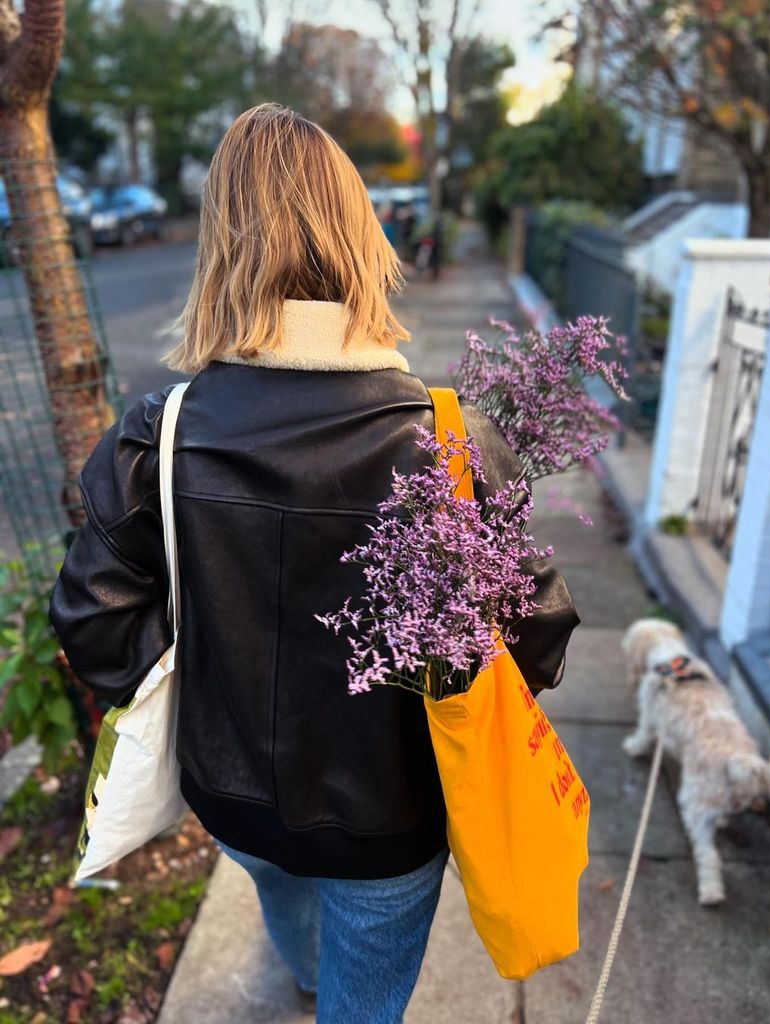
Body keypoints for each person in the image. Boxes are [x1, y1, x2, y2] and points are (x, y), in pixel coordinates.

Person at [48, 104, 580, 1023]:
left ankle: (301, 977)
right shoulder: (451, 441)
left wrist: (206, 680)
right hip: (392, 819)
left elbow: (95, 619)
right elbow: (534, 641)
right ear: (359, 234)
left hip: (232, 794)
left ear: (222, 245)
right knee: (364, 992)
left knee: (281, 888)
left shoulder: (158, 436)